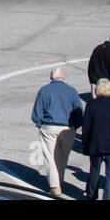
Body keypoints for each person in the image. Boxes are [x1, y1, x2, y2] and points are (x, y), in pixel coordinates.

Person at [31, 67, 84, 196]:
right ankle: (59, 180)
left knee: (50, 156)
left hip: (49, 126)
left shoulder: (44, 90)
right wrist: (75, 127)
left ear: (51, 78)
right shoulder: (71, 91)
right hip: (67, 127)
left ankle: (55, 185)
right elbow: (79, 112)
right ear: (63, 78)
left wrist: (39, 124)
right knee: (62, 157)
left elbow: (37, 112)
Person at [83, 78, 110, 200]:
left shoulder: (91, 104)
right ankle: (109, 197)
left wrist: (86, 144)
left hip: (96, 143)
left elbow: (86, 126)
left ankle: (92, 194)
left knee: (94, 171)